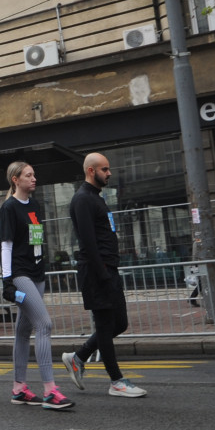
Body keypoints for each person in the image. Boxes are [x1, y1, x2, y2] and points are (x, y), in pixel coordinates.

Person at [62, 152, 147, 398]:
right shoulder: (82, 199)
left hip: (108, 269)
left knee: (119, 323)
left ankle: (78, 357)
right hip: (97, 271)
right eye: (104, 169)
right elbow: (88, 241)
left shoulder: (96, 198)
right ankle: (116, 381)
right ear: (91, 171)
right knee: (104, 324)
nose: (109, 173)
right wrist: (102, 274)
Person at [0, 161, 73, 410]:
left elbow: (36, 239)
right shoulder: (9, 207)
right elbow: (6, 245)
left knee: (23, 330)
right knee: (44, 324)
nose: (34, 179)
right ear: (16, 180)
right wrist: (7, 281)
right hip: (20, 275)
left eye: (34, 175)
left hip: (37, 273)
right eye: (28, 175)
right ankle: (50, 391)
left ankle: (19, 388)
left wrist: (42, 266)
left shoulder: (35, 205)